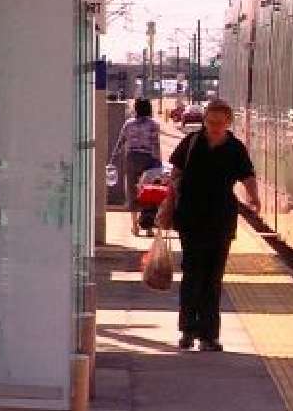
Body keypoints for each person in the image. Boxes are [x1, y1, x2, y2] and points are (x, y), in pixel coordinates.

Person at [164, 98, 259, 352]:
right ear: (204, 120)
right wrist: (172, 193)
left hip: (221, 220)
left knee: (213, 278)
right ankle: (187, 331)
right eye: (210, 121)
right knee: (192, 274)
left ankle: (209, 335)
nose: (215, 126)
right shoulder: (191, 142)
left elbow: (248, 175)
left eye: (220, 122)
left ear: (229, 122)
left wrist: (254, 196)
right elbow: (175, 172)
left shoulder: (235, 148)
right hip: (191, 218)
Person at [109, 98, 163, 211]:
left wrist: (112, 159)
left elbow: (120, 142)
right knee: (148, 188)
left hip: (131, 157)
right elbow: (155, 145)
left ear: (136, 109)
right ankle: (147, 219)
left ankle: (134, 223)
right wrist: (159, 162)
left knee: (131, 189)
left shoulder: (128, 124)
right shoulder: (154, 125)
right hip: (148, 158)